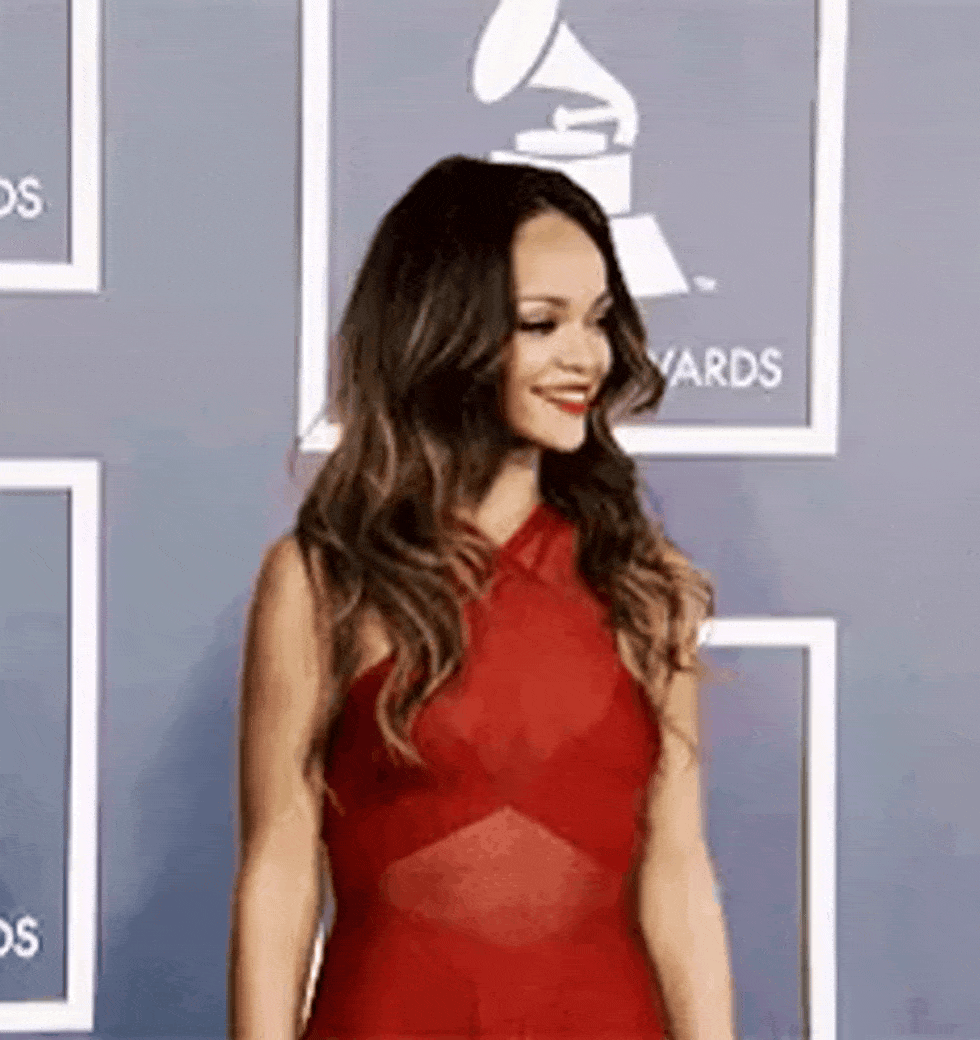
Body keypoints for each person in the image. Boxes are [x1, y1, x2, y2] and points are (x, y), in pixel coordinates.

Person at [228, 155, 737, 1040]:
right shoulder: (322, 579)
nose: (587, 357)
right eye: (542, 323)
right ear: (443, 335)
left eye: (599, 321)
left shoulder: (642, 580)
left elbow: (678, 869)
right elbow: (279, 870)